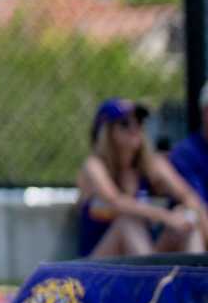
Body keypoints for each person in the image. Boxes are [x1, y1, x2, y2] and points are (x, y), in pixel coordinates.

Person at [76, 97, 207, 257]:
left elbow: (187, 195)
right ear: (106, 132)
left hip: (142, 258)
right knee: (128, 222)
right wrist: (166, 216)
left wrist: (188, 214)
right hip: (99, 268)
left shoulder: (152, 165)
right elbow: (116, 202)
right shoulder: (94, 166)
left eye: (139, 121)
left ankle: (196, 280)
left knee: (188, 225)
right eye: (125, 123)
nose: (135, 128)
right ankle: (151, 279)